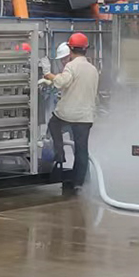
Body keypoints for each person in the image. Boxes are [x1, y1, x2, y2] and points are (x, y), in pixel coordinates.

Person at [42, 32, 99, 194]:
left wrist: (48, 74)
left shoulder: (71, 66)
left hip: (68, 114)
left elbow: (61, 82)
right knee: (82, 150)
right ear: (85, 49)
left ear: (71, 49)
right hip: (86, 117)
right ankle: (79, 183)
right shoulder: (93, 69)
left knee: (53, 125)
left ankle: (60, 154)